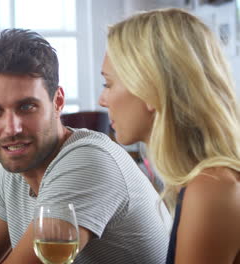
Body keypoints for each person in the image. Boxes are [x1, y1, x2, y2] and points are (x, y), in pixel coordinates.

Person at [0, 28, 169, 263]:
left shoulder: (87, 161)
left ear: (57, 102)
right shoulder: (14, 170)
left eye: (26, 107)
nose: (12, 129)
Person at [99, 8, 240, 263]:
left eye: (108, 84)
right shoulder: (204, 181)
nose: (102, 100)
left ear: (149, 88)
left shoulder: (211, 188)